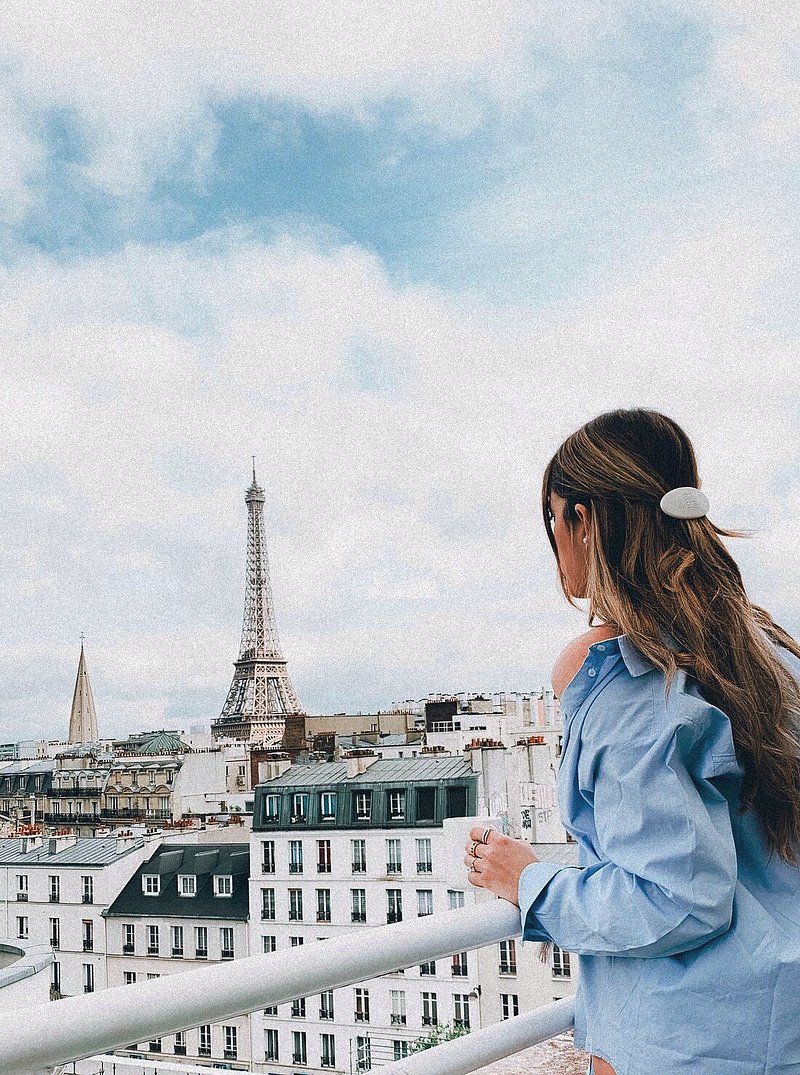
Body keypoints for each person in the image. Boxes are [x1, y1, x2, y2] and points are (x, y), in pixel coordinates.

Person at [463, 408, 800, 1075]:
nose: (553, 541)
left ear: (583, 523)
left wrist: (528, 881)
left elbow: (677, 898)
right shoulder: (771, 652)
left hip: (694, 1044)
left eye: (551, 519)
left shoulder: (632, 680)